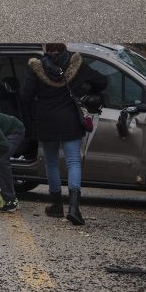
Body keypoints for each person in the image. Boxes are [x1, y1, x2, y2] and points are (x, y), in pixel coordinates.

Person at [22, 45, 105, 223]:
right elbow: (102, 81)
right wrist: (85, 89)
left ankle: (56, 205)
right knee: (73, 161)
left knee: (51, 163)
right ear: (63, 45)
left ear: (46, 47)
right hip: (69, 119)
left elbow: (25, 95)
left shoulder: (36, 67)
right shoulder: (76, 64)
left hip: (46, 119)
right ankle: (74, 208)